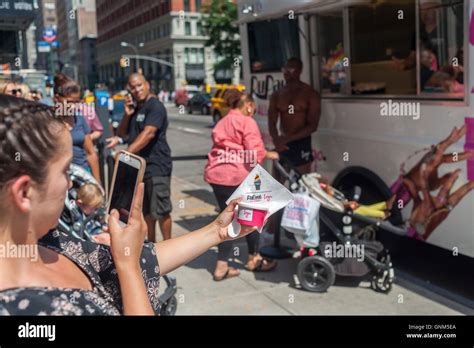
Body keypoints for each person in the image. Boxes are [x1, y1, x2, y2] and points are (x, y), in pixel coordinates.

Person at [0, 94, 258, 315]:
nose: (69, 184)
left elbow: (147, 259)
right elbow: (131, 265)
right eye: (65, 171)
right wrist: (127, 266)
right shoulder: (20, 306)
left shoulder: (50, 241)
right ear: (24, 192)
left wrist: (217, 231)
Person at [205, 90, 280, 281]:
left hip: (216, 175)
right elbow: (255, 152)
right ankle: (253, 259)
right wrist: (271, 154)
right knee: (251, 220)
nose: (253, 112)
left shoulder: (223, 121)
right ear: (248, 106)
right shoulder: (247, 121)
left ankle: (223, 264)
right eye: (253, 108)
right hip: (237, 177)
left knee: (226, 217)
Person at [106, 73, 172, 242]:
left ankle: (169, 245)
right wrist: (128, 114)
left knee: (162, 211)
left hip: (157, 166)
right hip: (141, 168)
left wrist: (125, 155)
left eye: (139, 85)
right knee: (147, 213)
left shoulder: (155, 106)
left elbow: (148, 134)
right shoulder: (136, 108)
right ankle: (152, 246)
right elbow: (122, 133)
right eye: (133, 87)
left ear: (147, 85)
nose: (137, 90)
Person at [268, 57, 321, 175]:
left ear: (299, 71)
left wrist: (288, 139)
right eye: (285, 70)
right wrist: (277, 139)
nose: (287, 73)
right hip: (282, 143)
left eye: (291, 69)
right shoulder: (277, 95)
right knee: (277, 183)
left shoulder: (310, 94)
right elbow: (271, 121)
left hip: (301, 142)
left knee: (301, 182)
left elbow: (313, 126)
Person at [53, 73, 101, 185]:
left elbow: (91, 153)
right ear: (57, 98)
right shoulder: (48, 120)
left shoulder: (79, 119)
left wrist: (97, 183)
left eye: (77, 102)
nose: (74, 107)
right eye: (69, 102)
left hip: (82, 177)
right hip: (59, 181)